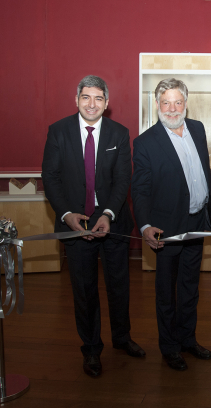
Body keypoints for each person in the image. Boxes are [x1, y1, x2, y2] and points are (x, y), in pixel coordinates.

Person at [42, 75, 145, 378]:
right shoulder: (58, 132)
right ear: (76, 100)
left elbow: (123, 179)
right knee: (84, 290)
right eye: (86, 97)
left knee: (119, 286)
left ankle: (122, 338)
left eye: (98, 98)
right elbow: (51, 177)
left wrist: (109, 213)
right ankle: (91, 349)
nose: (92, 103)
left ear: (107, 103)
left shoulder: (119, 133)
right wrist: (66, 215)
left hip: (112, 221)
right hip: (76, 223)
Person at [131, 78, 211, 372]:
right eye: (165, 102)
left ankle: (187, 339)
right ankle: (169, 347)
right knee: (167, 292)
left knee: (190, 288)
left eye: (178, 102)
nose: (172, 108)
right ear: (156, 104)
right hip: (167, 229)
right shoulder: (144, 143)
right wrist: (144, 226)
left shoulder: (199, 129)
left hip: (198, 223)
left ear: (186, 103)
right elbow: (139, 191)